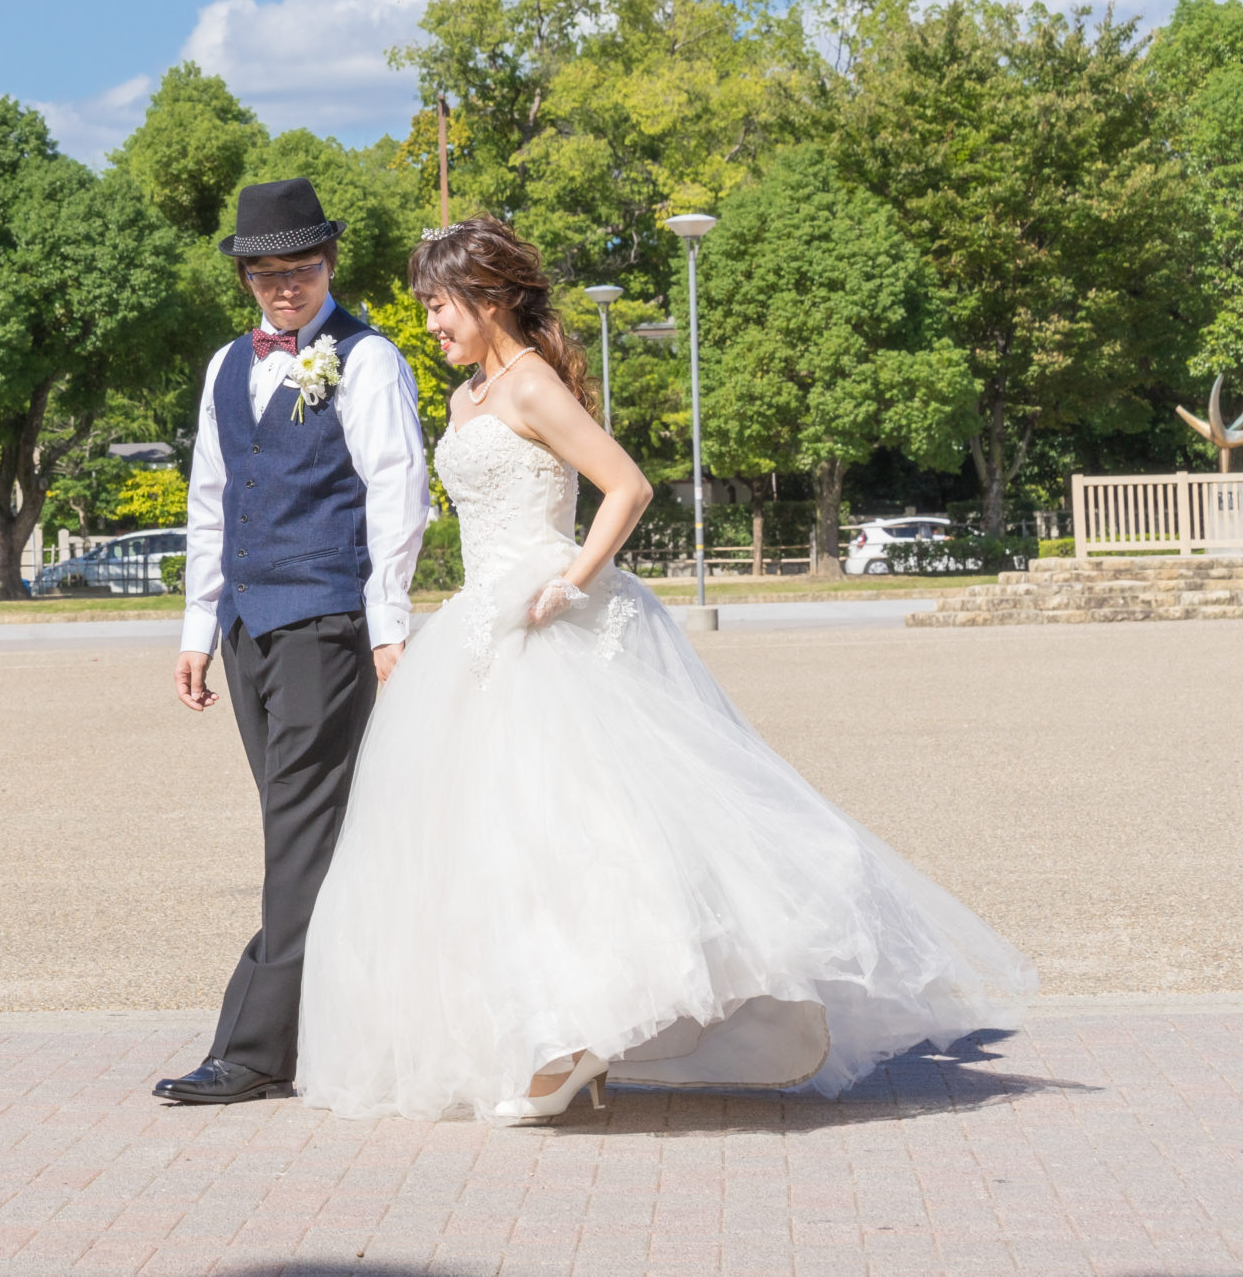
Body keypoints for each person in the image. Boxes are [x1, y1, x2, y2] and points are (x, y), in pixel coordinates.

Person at [297, 218, 1035, 1124]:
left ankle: (574, 1039)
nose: (433, 324)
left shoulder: (531, 383)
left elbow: (628, 485)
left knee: (586, 830)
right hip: (478, 626)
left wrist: (571, 581)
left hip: (549, 615)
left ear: (487, 299)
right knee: (498, 844)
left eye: (441, 305)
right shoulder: (466, 398)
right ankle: (551, 1035)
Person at [154, 178, 433, 1106]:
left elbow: (398, 495)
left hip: (326, 622)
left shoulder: (369, 359)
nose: (286, 288)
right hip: (246, 626)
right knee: (312, 830)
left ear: (330, 266)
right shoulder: (226, 366)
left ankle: (256, 1047)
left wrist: (388, 624)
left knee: (299, 832)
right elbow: (209, 498)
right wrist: (198, 626)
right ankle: (361, 1021)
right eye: (268, 273)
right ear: (244, 275)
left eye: (303, 270)